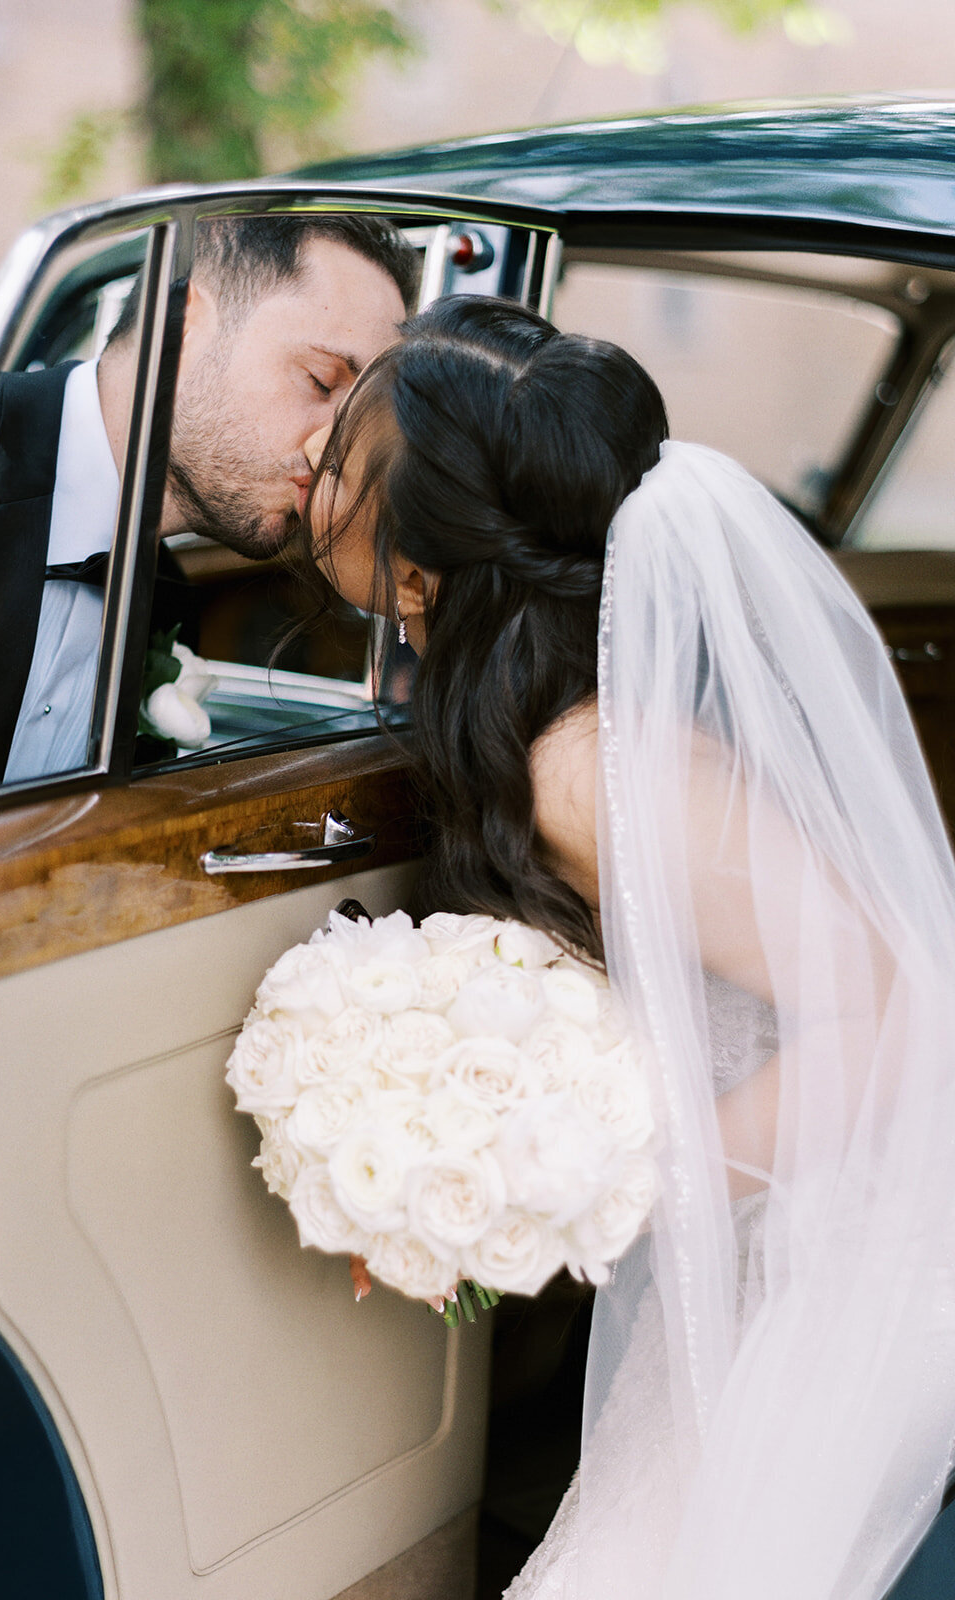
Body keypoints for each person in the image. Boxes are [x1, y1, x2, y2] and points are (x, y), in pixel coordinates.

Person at [303, 295, 955, 1599]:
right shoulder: (552, 731)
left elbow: (894, 1017)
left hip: (850, 1247)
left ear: (419, 568)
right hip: (785, 1210)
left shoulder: (594, 777)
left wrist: (593, 1191)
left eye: (341, 456)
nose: (315, 464)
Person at [0, 213, 418, 1088]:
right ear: (184, 326)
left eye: (359, 409)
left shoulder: (167, 591)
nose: (333, 445)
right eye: (321, 379)